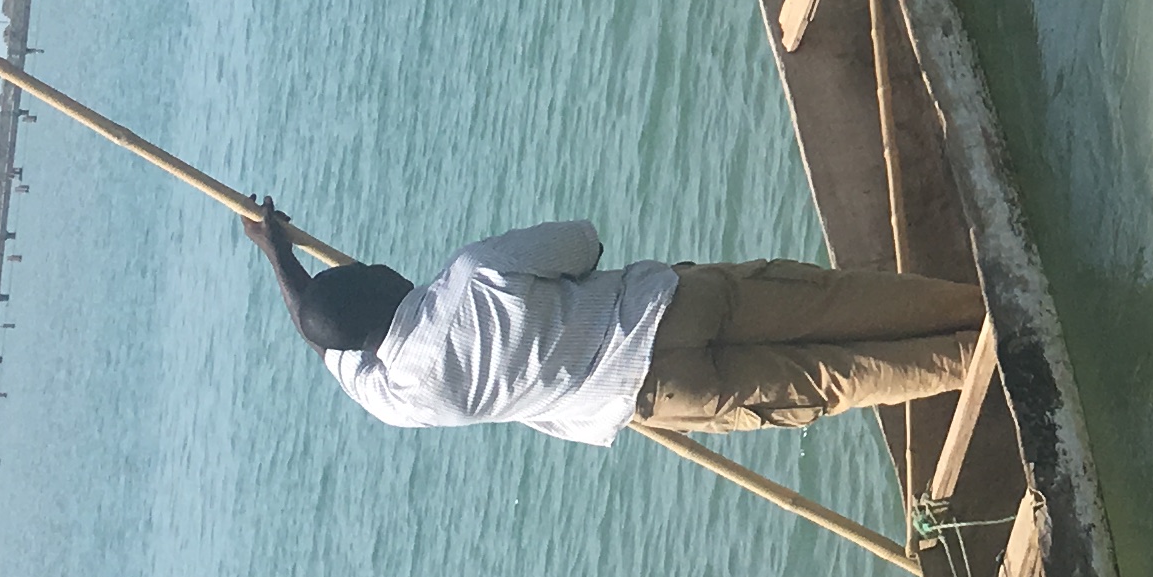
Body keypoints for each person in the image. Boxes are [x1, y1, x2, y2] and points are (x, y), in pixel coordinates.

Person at [239, 197, 984, 445]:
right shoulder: (471, 277)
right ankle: (976, 309)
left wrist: (280, 263)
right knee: (834, 305)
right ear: (381, 283)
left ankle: (973, 364)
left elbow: (320, 331)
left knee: (833, 379)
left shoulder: (398, 402)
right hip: (667, 306)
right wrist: (279, 247)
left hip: (654, 395)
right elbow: (585, 240)